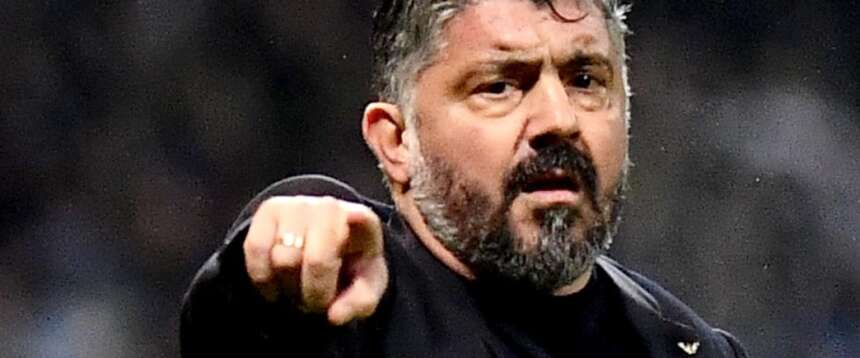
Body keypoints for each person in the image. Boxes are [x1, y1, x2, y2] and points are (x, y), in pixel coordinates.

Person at [181, 0, 748, 356]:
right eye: (500, 85)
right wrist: (280, 265)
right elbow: (243, 320)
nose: (559, 119)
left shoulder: (683, 344)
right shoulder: (349, 301)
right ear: (396, 142)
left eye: (585, 79)